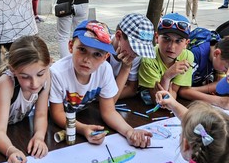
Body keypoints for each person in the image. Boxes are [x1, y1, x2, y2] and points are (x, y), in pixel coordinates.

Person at [50, 20, 153, 148]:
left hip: (79, 118)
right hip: (56, 125)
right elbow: (57, 113)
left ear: (105, 57)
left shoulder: (105, 69)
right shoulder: (57, 73)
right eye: (82, 50)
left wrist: (129, 131)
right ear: (71, 46)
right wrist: (83, 129)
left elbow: (109, 111)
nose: (87, 60)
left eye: (97, 54)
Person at [0, 36, 51, 163]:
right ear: (13, 70)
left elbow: (41, 114)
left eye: (40, 74)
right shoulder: (7, 83)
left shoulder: (47, 77)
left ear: (48, 65)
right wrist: (11, 150)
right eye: (25, 77)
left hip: (15, 130)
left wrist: (39, 136)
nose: (34, 83)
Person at [178, 35, 229, 109]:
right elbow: (182, 91)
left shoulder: (222, 52)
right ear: (216, 53)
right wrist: (218, 101)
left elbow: (221, 82)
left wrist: (194, 90)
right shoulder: (195, 54)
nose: (227, 73)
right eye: (226, 68)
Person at [138, 13, 195, 99]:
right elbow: (158, 100)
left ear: (186, 44)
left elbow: (173, 94)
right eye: (166, 39)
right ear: (156, 38)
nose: (171, 47)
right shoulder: (148, 58)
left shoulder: (187, 56)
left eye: (178, 41)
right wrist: (167, 76)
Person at [109, 13, 156, 101]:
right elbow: (110, 100)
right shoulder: (100, 52)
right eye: (134, 47)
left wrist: (126, 68)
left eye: (141, 49)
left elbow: (132, 89)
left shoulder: (135, 55)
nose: (137, 54)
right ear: (119, 36)